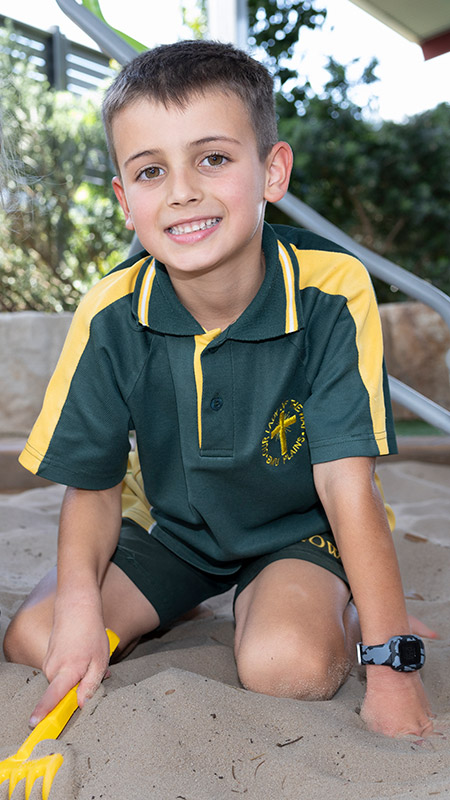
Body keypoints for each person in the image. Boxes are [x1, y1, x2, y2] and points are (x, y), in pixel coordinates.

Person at [3, 40, 436, 739]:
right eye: (150, 170)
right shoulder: (111, 311)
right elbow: (93, 487)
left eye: (213, 158)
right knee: (35, 638)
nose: (182, 191)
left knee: (286, 667)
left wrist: (390, 668)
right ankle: (179, 600)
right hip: (173, 527)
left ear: (272, 171)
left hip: (297, 526)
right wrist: (82, 615)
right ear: (123, 199)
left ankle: (342, 599)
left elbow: (348, 488)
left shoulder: (331, 291)